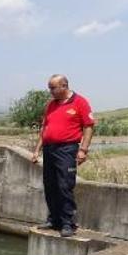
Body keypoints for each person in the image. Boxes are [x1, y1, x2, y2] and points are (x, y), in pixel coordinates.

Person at [31, 74, 95, 237]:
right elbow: (45, 129)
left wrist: (83, 150)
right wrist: (37, 150)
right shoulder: (51, 105)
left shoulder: (80, 102)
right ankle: (54, 219)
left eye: (53, 88)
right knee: (50, 185)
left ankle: (68, 223)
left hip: (67, 149)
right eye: (49, 88)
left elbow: (88, 127)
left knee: (64, 185)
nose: (50, 91)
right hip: (49, 149)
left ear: (64, 86)